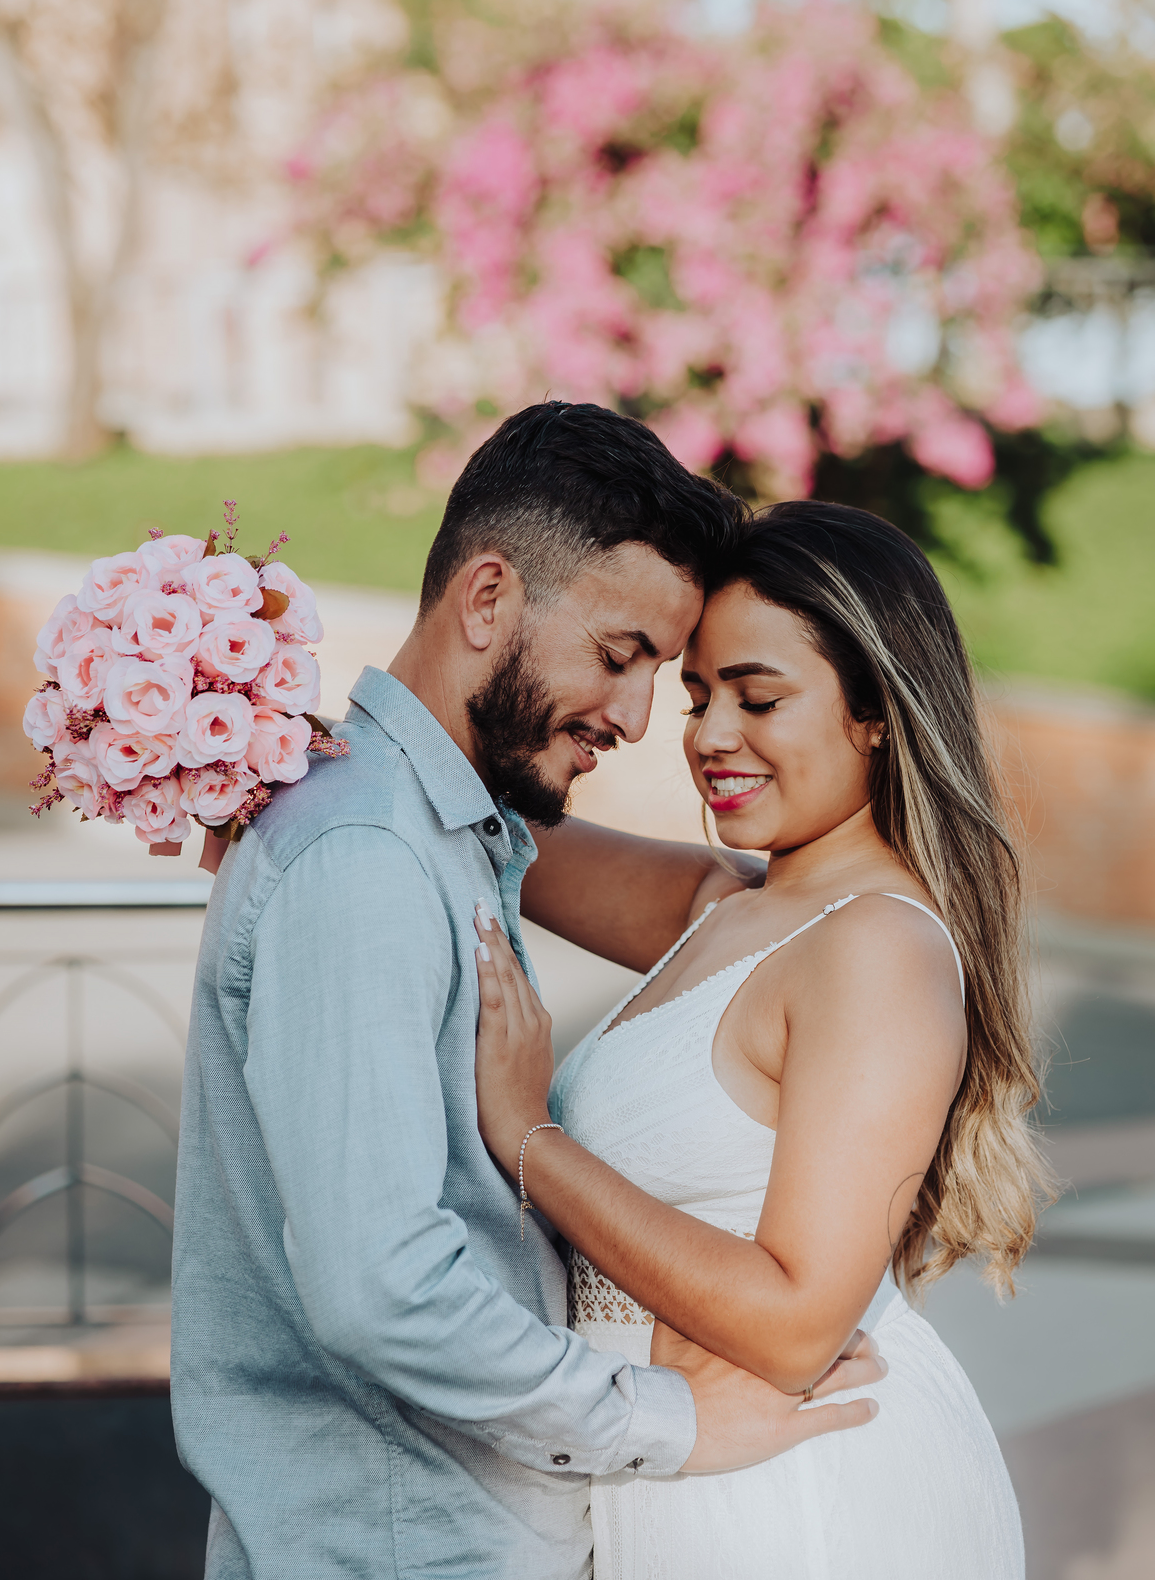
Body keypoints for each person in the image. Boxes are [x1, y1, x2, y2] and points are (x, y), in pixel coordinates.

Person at [170, 406, 886, 1580]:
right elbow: (383, 1291)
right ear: (489, 599)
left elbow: (737, 898)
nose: (639, 718)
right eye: (619, 657)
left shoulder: (441, 828)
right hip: (398, 1544)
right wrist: (672, 1419)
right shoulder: (367, 857)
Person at [474, 498, 1053, 1579]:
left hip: (799, 1497)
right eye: (700, 696)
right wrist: (256, 735)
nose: (708, 736)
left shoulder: (879, 950)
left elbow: (796, 1322)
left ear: (877, 710)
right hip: (672, 1459)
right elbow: (475, 824)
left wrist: (528, 1137)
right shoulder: (722, 902)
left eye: (758, 696)